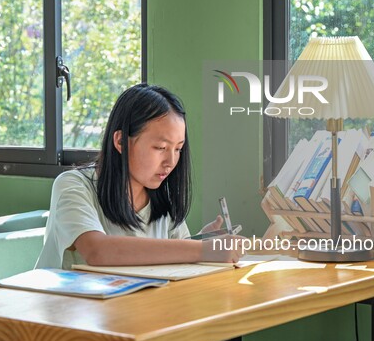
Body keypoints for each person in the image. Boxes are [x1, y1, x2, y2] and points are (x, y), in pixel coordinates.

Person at [36, 83, 244, 270]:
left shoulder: (162, 197)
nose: (171, 162)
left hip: (126, 308)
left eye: (178, 149)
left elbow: (174, 255)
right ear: (120, 142)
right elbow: (97, 251)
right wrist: (201, 249)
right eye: (160, 147)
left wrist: (200, 240)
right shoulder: (74, 185)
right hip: (63, 309)